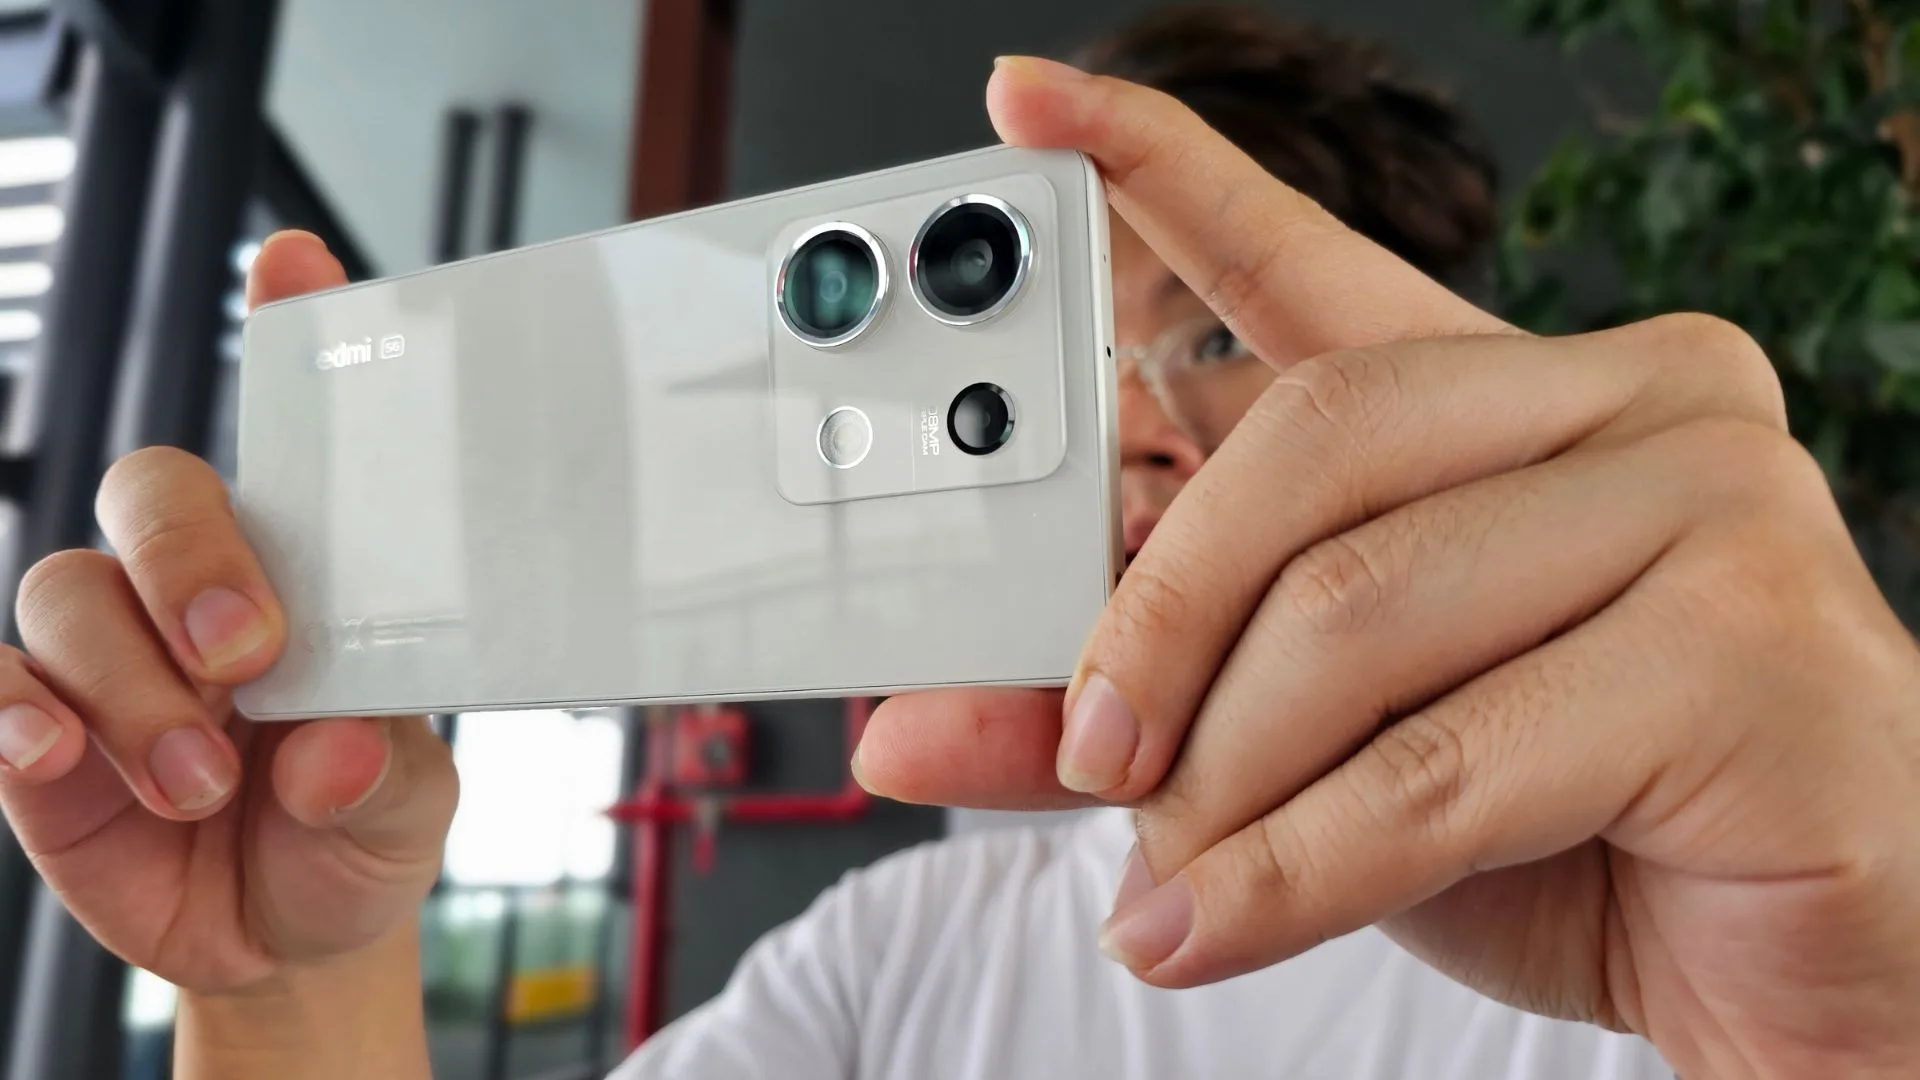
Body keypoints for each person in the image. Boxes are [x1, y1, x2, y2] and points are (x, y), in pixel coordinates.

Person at [7, 6, 1919, 1079]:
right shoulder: (890, 966)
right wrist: (287, 979)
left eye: (1219, 336)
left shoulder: (1684, 919)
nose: (1142, 428)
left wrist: (1861, 1019)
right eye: (1059, 361)